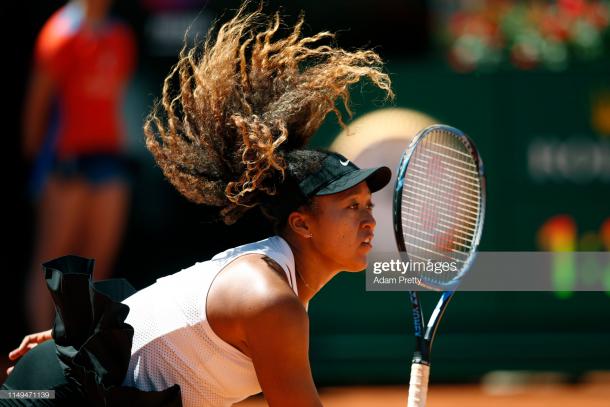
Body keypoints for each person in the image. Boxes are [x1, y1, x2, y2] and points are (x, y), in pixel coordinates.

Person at [4, 3, 393, 406]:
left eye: (367, 205)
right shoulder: (272, 299)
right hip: (56, 393)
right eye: (351, 206)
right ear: (302, 223)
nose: (369, 220)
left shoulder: (276, 284)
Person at [22, 0, 136, 331]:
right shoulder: (60, 34)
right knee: (52, 264)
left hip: (109, 160)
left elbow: (117, 102)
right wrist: (44, 168)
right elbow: (36, 110)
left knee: (97, 266)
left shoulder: (120, 36)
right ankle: (35, 359)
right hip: (66, 162)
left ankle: (83, 355)